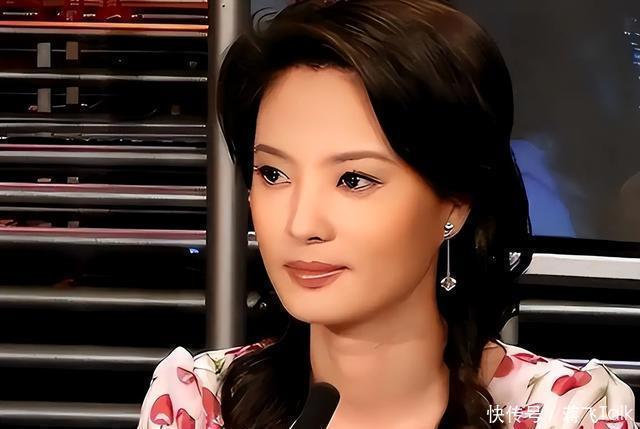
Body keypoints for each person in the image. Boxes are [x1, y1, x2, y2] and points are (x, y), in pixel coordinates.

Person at [136, 1, 637, 428]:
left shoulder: (566, 411)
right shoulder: (199, 402)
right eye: (273, 174)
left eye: (354, 180)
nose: (301, 224)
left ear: (455, 201)